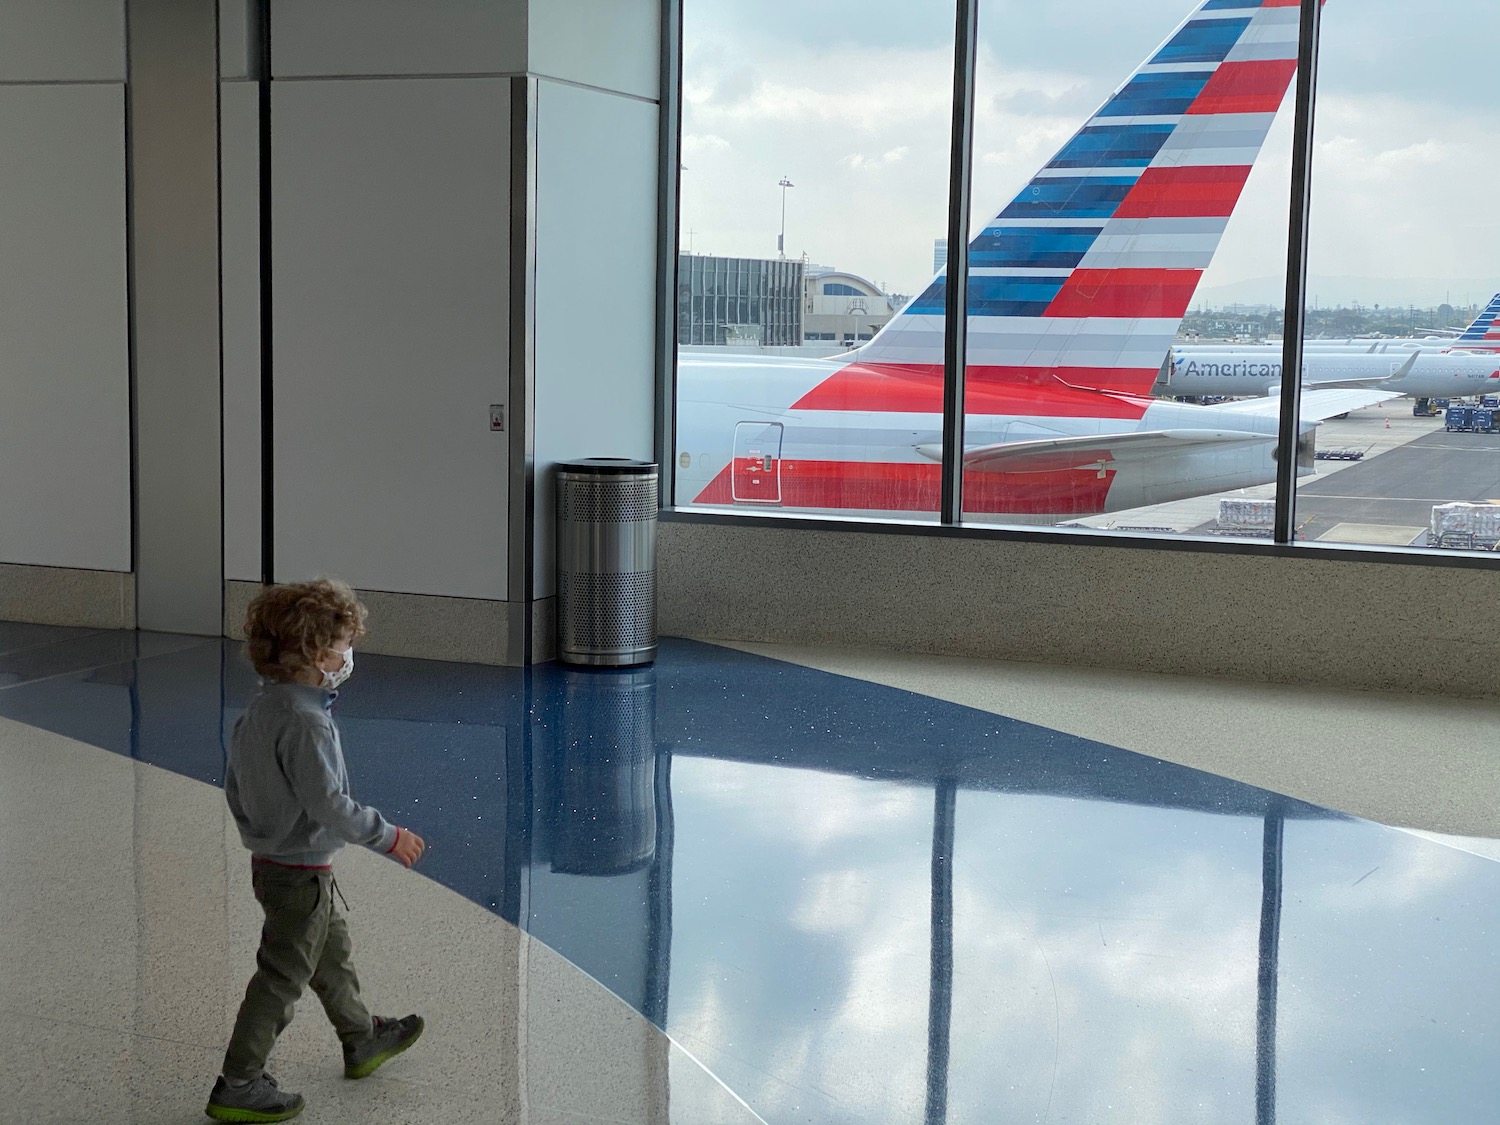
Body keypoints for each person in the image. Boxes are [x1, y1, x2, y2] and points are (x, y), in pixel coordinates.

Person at [205, 579, 427, 1123]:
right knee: (282, 976)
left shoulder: (263, 707)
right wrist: (387, 835)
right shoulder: (307, 722)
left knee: (332, 954)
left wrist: (261, 833)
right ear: (312, 653)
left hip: (277, 862)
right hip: (300, 871)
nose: (348, 654)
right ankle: (239, 1082)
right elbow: (329, 803)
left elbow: (234, 783)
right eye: (343, 644)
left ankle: (361, 1037)